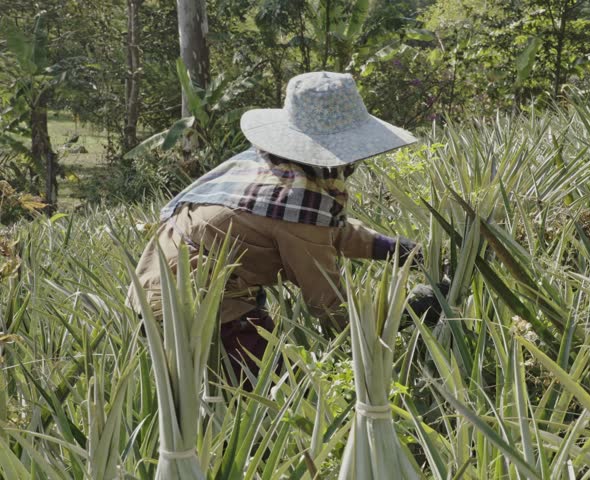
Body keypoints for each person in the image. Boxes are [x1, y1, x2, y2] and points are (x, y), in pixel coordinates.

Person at [127, 71, 422, 386]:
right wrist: (406, 312)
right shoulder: (296, 202)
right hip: (194, 304)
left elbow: (326, 231)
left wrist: (393, 249)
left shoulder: (273, 169)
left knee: (234, 396)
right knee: (285, 393)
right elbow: (328, 304)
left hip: (159, 290)